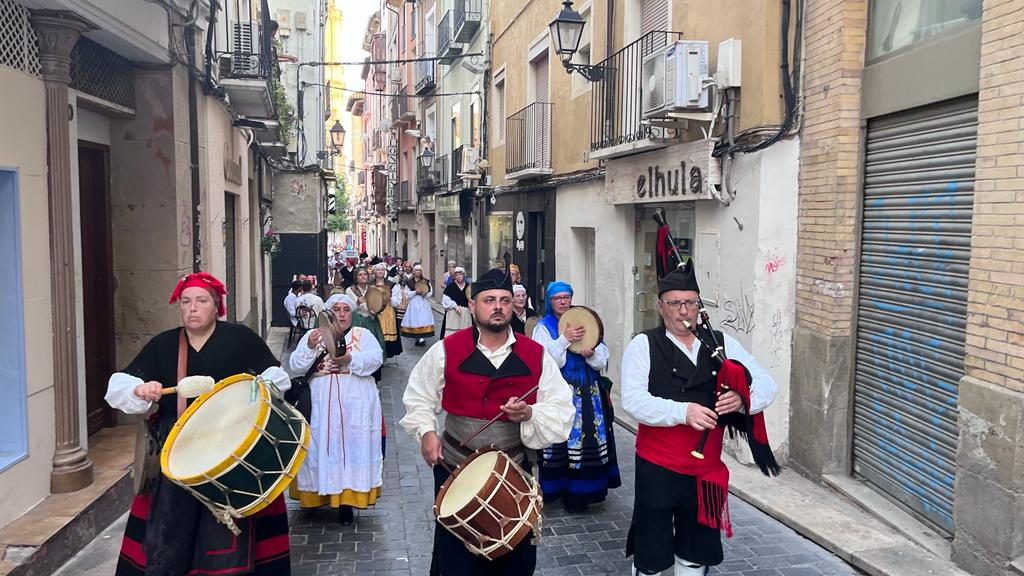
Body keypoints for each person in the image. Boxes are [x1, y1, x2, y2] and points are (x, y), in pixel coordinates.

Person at [104, 272, 292, 575]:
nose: (192, 308)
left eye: (201, 301)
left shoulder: (240, 339)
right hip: (175, 456)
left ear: (216, 306)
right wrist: (140, 389)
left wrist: (253, 391)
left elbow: (276, 377)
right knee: (171, 533)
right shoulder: (164, 345)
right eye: (186, 301)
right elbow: (120, 383)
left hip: (230, 454)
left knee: (229, 536)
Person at [401, 267, 575, 576]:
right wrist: (427, 432)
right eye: (489, 300)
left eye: (505, 300)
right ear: (473, 306)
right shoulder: (446, 350)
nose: (498, 307)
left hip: (514, 473)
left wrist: (530, 413)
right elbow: (419, 396)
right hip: (455, 469)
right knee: (457, 561)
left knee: (515, 561)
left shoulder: (536, 354)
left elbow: (562, 411)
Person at [621, 262, 779, 575]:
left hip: (705, 472)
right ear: (661, 307)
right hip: (658, 467)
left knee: (695, 553)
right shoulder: (644, 345)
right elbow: (633, 401)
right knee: (651, 553)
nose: (684, 311)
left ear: (699, 306)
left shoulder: (721, 344)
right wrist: (684, 411)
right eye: (675, 303)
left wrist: (743, 400)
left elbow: (766, 384)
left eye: (691, 303)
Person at [288, 294, 384, 526]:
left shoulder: (364, 335)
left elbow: (376, 359)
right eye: (336, 310)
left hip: (355, 402)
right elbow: (295, 365)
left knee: (351, 449)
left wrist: (350, 360)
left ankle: (346, 503)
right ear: (328, 313)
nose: (341, 314)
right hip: (320, 403)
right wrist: (310, 347)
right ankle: (315, 495)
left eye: (345, 310)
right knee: (319, 447)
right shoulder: (315, 336)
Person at [531, 281, 621, 511]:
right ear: (550, 301)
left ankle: (583, 495)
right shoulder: (544, 326)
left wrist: (591, 355)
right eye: (557, 298)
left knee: (587, 442)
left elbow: (602, 359)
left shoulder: (585, 318)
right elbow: (546, 361)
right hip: (559, 392)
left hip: (587, 393)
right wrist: (564, 339)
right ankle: (555, 490)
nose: (562, 302)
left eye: (566, 297)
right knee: (559, 440)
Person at [345, 266, 387, 355]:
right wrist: (357, 302)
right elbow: (348, 308)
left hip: (371, 320)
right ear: (356, 277)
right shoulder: (350, 290)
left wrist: (376, 311)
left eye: (365, 274)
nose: (363, 276)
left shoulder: (373, 289)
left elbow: (378, 304)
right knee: (359, 344)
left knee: (373, 342)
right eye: (360, 275)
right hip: (357, 321)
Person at [395, 263, 434, 346]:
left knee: (423, 319)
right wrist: (415, 292)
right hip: (413, 303)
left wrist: (424, 294)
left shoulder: (426, 281)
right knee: (415, 320)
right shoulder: (410, 282)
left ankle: (422, 338)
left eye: (420, 270)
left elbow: (430, 291)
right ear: (414, 271)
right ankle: (417, 337)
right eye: (416, 270)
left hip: (423, 303)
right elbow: (407, 293)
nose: (418, 272)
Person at [372, 263, 403, 358]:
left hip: (388, 311)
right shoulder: (370, 284)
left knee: (386, 334)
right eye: (378, 270)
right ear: (375, 272)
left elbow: (397, 301)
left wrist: (389, 298)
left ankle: (385, 354)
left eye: (382, 270)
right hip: (374, 311)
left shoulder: (391, 284)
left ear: (385, 272)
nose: (380, 271)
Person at [440, 266, 472, 339]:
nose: (459, 276)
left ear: (464, 275)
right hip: (453, 314)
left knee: (465, 334)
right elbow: (445, 300)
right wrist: (454, 305)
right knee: (452, 335)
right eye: (457, 275)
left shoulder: (468, 287)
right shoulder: (450, 287)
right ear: (454, 276)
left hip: (465, 314)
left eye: (461, 274)